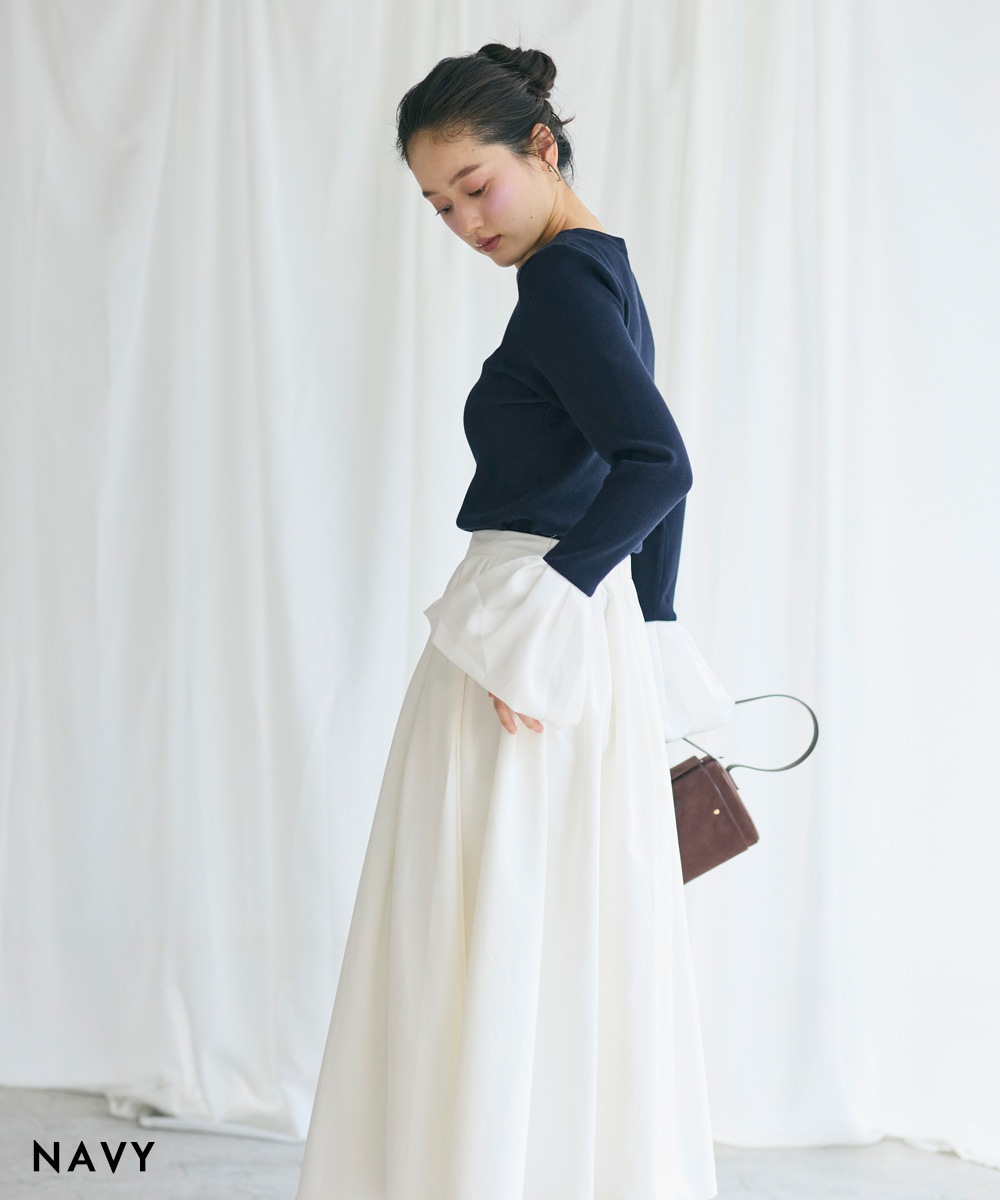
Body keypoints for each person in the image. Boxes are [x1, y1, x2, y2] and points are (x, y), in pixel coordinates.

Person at [294, 42, 734, 1200]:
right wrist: (650, 619)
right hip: (564, 627)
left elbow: (659, 463)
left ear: (541, 147)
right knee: (546, 915)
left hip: (526, 629)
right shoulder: (602, 271)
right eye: (437, 205)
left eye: (473, 186)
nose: (461, 222)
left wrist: (542, 617)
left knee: (484, 915)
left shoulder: (562, 286)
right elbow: (651, 462)